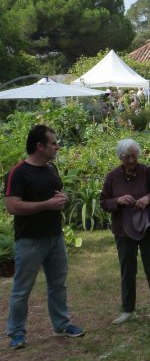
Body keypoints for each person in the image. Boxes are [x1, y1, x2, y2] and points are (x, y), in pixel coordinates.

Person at [5, 125, 85, 349]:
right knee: (22, 289)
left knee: (58, 285)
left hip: (55, 237)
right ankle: (16, 333)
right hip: (29, 240)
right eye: (53, 143)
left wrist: (63, 198)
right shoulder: (18, 173)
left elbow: (55, 196)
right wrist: (47, 205)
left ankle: (62, 324)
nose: (57, 147)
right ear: (39, 146)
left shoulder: (51, 170)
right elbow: (12, 206)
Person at [100, 139, 150, 325]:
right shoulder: (113, 177)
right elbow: (103, 202)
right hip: (123, 230)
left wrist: (148, 198)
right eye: (127, 157)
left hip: (148, 229)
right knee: (127, 270)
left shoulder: (147, 172)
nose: (131, 160)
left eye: (134, 156)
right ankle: (128, 310)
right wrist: (118, 201)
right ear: (120, 157)